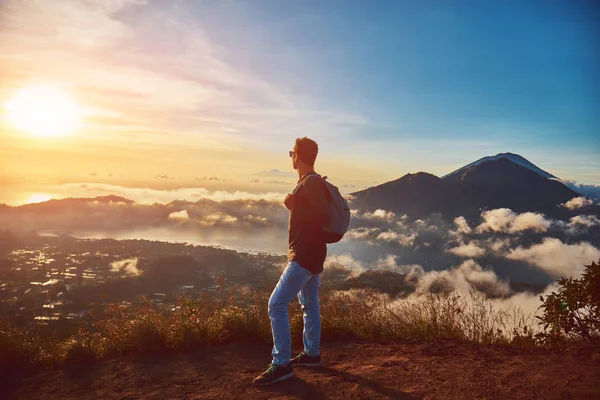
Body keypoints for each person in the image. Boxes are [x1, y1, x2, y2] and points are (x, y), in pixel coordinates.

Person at [253, 137, 330, 386]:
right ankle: (311, 354)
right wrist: (295, 207)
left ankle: (281, 364)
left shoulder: (311, 184)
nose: (291, 157)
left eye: (292, 153)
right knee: (309, 304)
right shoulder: (309, 183)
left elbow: (321, 216)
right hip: (313, 253)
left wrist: (294, 206)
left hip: (305, 255)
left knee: (276, 304)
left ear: (298, 156)